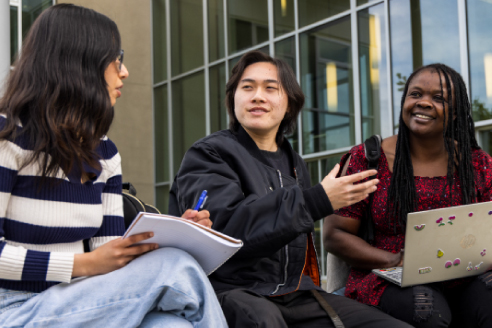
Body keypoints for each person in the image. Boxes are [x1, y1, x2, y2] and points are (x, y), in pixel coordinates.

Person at [0, 4, 227, 327]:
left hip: (84, 300)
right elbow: (94, 263)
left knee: (172, 325)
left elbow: (108, 257)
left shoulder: (104, 152)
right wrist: (83, 264)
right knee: (177, 267)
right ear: (80, 61)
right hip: (12, 308)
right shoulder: (6, 136)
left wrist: (174, 234)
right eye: (116, 59)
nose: (124, 72)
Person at [169, 50, 412, 328]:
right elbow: (227, 233)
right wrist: (316, 200)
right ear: (233, 99)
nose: (257, 96)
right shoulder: (209, 153)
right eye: (247, 87)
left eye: (270, 88)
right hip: (230, 291)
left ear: (289, 104)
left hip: (296, 293)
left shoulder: (293, 160)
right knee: (263, 320)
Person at [324, 63, 492, 327]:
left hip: (464, 275)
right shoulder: (368, 159)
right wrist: (397, 260)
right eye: (415, 94)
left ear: (457, 112)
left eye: (439, 98)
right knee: (427, 312)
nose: (423, 103)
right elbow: (335, 235)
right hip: (389, 275)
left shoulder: (477, 164)